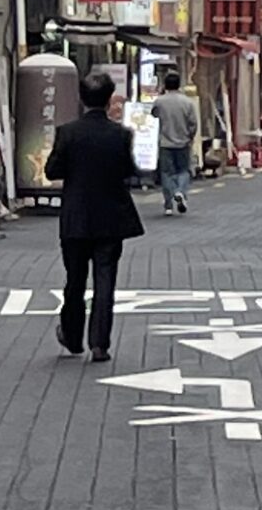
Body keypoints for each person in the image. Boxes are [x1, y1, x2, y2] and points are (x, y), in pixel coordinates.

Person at [44, 71, 144, 361]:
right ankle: (100, 343)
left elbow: (52, 171)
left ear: (81, 99)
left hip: (76, 217)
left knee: (75, 279)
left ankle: (72, 337)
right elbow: (129, 171)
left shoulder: (68, 132)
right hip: (111, 216)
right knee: (105, 280)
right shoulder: (121, 135)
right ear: (109, 99)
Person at [151, 69, 201, 217]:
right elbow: (193, 123)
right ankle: (180, 192)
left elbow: (153, 114)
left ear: (165, 85)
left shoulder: (160, 101)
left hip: (165, 142)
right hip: (183, 142)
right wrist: (190, 137)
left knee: (166, 173)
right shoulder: (188, 102)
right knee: (183, 171)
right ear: (179, 85)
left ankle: (168, 205)